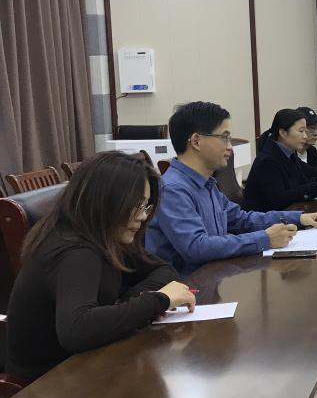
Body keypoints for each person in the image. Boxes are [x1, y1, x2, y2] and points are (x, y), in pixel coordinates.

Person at [5, 152, 196, 380]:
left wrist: (128, 305)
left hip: (83, 362)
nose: (143, 217)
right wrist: (158, 301)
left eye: (145, 206)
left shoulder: (103, 234)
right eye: (136, 206)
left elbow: (164, 270)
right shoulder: (75, 250)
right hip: (46, 382)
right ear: (105, 201)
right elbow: (76, 330)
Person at [146, 101, 317, 276]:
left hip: (212, 278)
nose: (230, 147)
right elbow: (196, 247)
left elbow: (241, 219)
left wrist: (297, 218)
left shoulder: (207, 184)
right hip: (186, 286)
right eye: (224, 138)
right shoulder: (173, 189)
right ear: (196, 141)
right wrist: (265, 239)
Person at [242, 108, 317, 212]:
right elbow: (279, 199)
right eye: (301, 131)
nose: (305, 136)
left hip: (285, 214)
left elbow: (302, 181)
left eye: (305, 131)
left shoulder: (289, 154)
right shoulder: (267, 161)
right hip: (265, 219)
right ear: (283, 133)